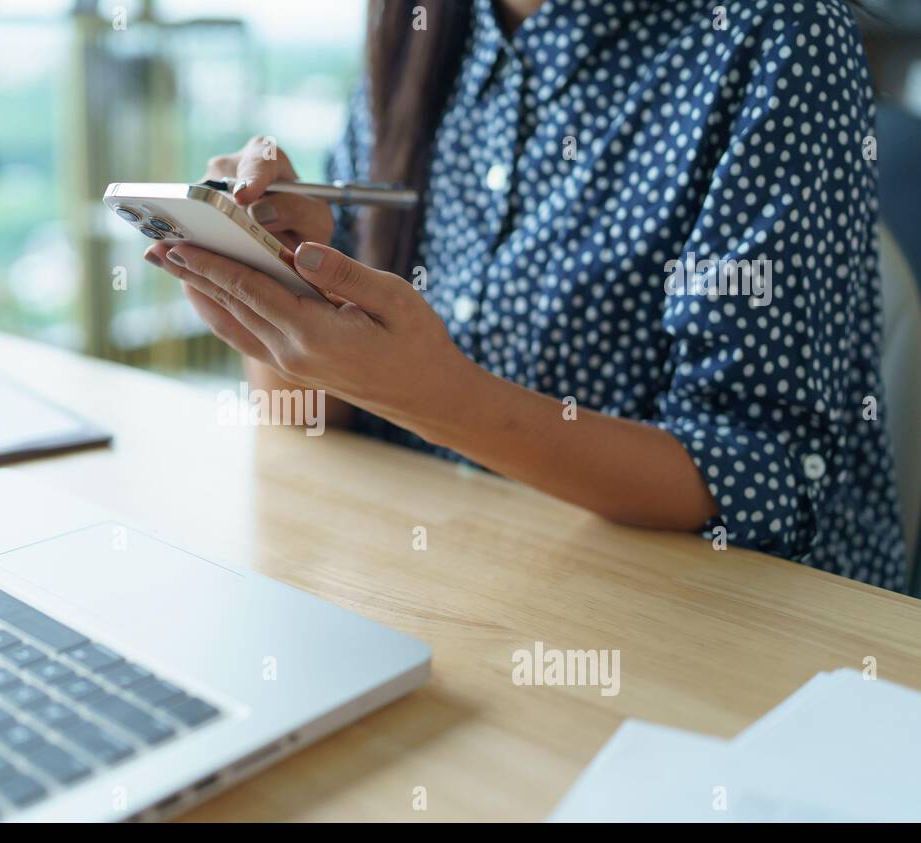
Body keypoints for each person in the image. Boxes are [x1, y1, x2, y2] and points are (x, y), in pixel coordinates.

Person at [146, 0, 907, 592]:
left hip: (725, 634)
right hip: (452, 581)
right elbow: (311, 426)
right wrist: (275, 291)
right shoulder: (419, 28)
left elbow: (761, 477)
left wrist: (433, 395)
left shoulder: (778, 34)